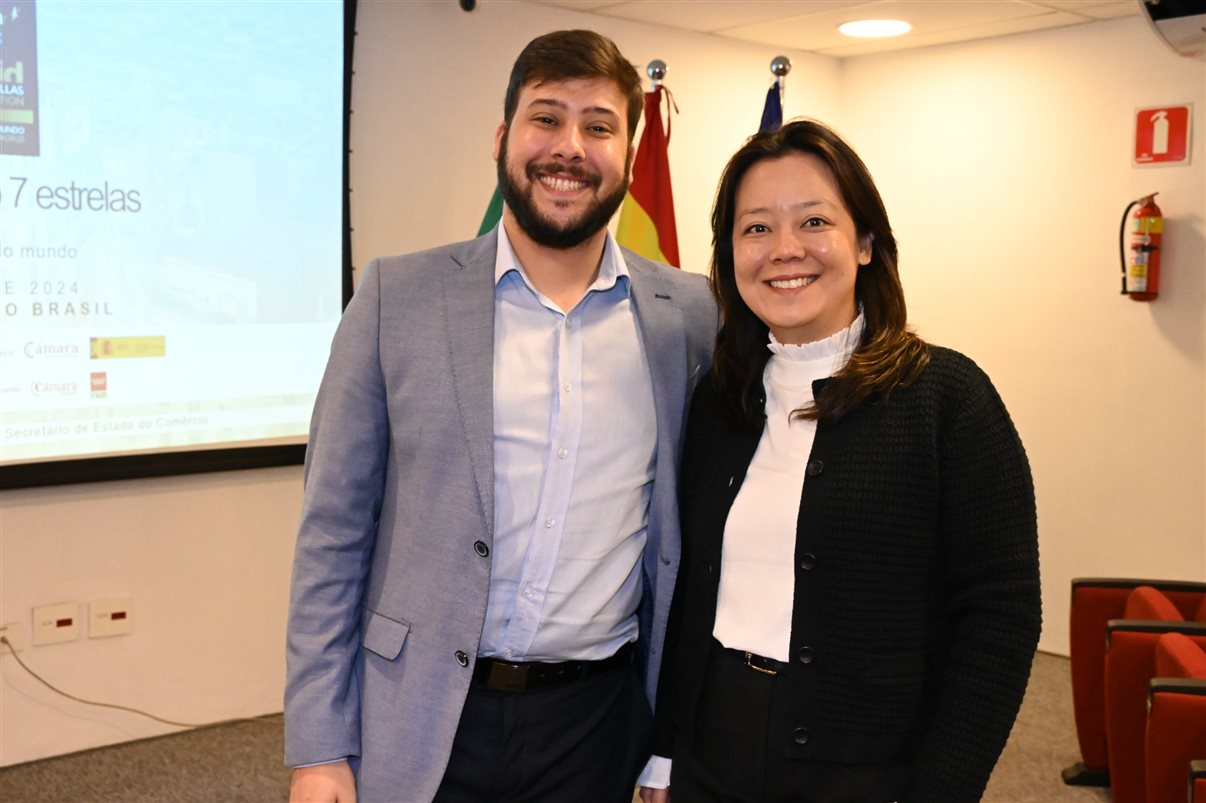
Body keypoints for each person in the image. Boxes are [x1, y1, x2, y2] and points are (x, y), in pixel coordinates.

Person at [284, 29, 716, 803]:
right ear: (503, 137)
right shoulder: (395, 297)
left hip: (597, 721)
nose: (569, 148)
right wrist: (319, 745)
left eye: (598, 126)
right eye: (546, 119)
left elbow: (692, 543)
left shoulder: (689, 316)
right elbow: (331, 535)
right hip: (418, 713)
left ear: (628, 150)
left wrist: (667, 748)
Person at [640, 119, 1041, 803]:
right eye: (756, 228)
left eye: (814, 221)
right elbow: (690, 590)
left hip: (869, 771)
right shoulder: (719, 399)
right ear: (730, 254)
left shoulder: (947, 398)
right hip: (712, 755)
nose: (784, 249)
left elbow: (1001, 616)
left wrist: (944, 787)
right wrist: (664, 753)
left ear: (864, 243)